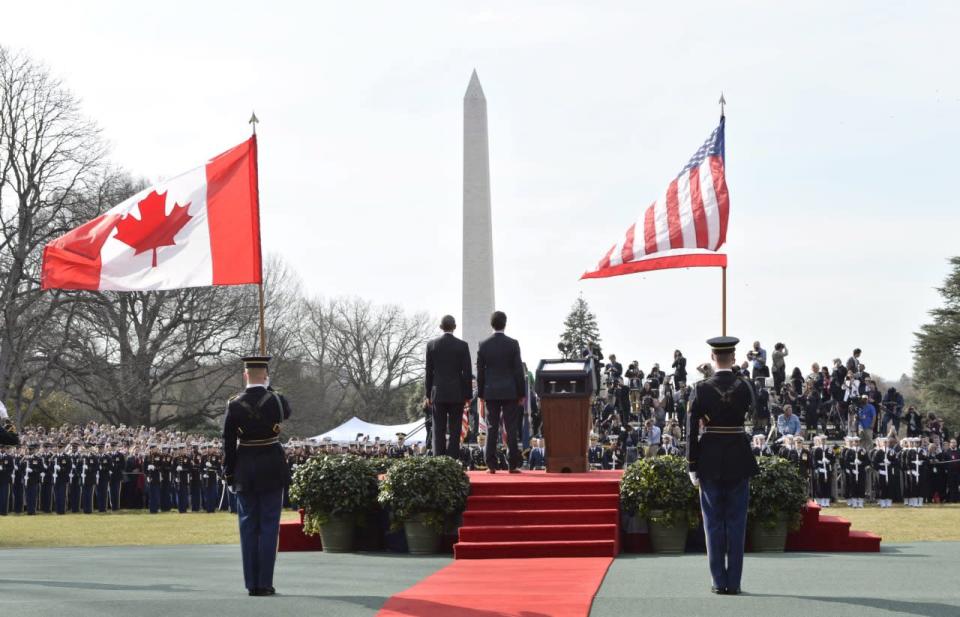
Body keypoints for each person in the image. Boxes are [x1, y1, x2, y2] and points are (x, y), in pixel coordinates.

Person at [686, 336, 758, 596]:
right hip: (739, 455)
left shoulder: (701, 388)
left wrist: (691, 464)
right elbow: (756, 415)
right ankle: (735, 582)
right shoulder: (746, 386)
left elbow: (691, 430)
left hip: (709, 458)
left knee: (713, 523)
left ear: (713, 358)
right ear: (734, 358)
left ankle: (719, 581)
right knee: (737, 523)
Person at [222, 355, 292, 597]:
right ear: (266, 375)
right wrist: (268, 389)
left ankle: (252, 583)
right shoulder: (276, 400)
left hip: (245, 468)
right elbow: (287, 412)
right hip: (272, 466)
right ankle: (266, 582)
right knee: (270, 526)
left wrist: (229, 473)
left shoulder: (233, 404)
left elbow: (228, 442)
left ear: (245, 375)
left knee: (248, 526)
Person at [476, 311, 526, 474]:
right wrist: (521, 393)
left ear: (492, 324)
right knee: (511, 427)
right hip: (510, 391)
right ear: (505, 323)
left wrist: (481, 393)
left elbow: (480, 372)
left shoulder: (483, 344)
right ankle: (512, 464)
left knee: (492, 427)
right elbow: (518, 371)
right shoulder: (513, 344)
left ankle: (490, 464)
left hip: (491, 392)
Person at [424, 315, 473, 459]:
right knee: (455, 429)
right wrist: (468, 395)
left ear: (440, 327)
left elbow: (428, 372)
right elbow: (467, 372)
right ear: (455, 327)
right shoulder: (462, 345)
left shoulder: (431, 345)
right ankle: (452, 459)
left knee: (438, 429)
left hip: (438, 393)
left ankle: (439, 460)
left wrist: (428, 394)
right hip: (457, 393)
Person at [811, 435, 834, 507]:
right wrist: (818, 467)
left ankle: (826, 501)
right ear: (820, 441)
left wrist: (828, 461)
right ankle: (820, 500)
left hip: (827, 469)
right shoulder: (817, 449)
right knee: (820, 485)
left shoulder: (829, 449)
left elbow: (833, 459)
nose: (823, 441)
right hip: (820, 469)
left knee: (827, 485)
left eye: (824, 440)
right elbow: (814, 460)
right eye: (822, 440)